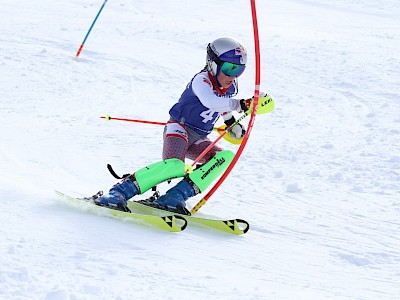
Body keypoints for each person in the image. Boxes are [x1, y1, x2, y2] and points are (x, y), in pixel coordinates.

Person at [94, 37, 257, 214]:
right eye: (229, 68)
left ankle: (174, 196)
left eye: (239, 70)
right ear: (213, 63)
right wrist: (241, 105)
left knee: (224, 158)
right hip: (179, 128)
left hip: (199, 138)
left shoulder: (230, 87)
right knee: (175, 166)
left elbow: (222, 103)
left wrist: (230, 122)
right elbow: (210, 101)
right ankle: (119, 192)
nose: (233, 75)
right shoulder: (201, 80)